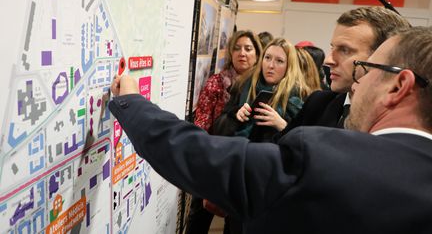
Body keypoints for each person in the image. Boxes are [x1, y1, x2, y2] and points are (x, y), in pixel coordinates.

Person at [109, 26, 432, 234]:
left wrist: (132, 102)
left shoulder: (325, 158)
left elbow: (197, 154)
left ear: (398, 86)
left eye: (365, 68)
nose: (356, 83)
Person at [277, 6, 411, 134]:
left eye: (345, 50)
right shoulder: (318, 104)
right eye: (332, 48)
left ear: (381, 55)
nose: (328, 61)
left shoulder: (397, 122)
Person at [189, 30, 262, 234]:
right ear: (230, 53)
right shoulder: (217, 82)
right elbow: (202, 121)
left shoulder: (262, 85)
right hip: (214, 157)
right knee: (200, 215)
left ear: (257, 53)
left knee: (236, 222)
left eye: (248, 49)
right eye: (237, 48)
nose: (242, 53)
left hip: (244, 164)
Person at [212, 38, 311, 142]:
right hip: (237, 151)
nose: (271, 65)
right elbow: (218, 128)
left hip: (271, 156)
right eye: (267, 58)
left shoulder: (299, 95)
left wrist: (282, 125)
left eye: (279, 61)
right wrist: (236, 116)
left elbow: (303, 143)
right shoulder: (243, 85)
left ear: (289, 66)